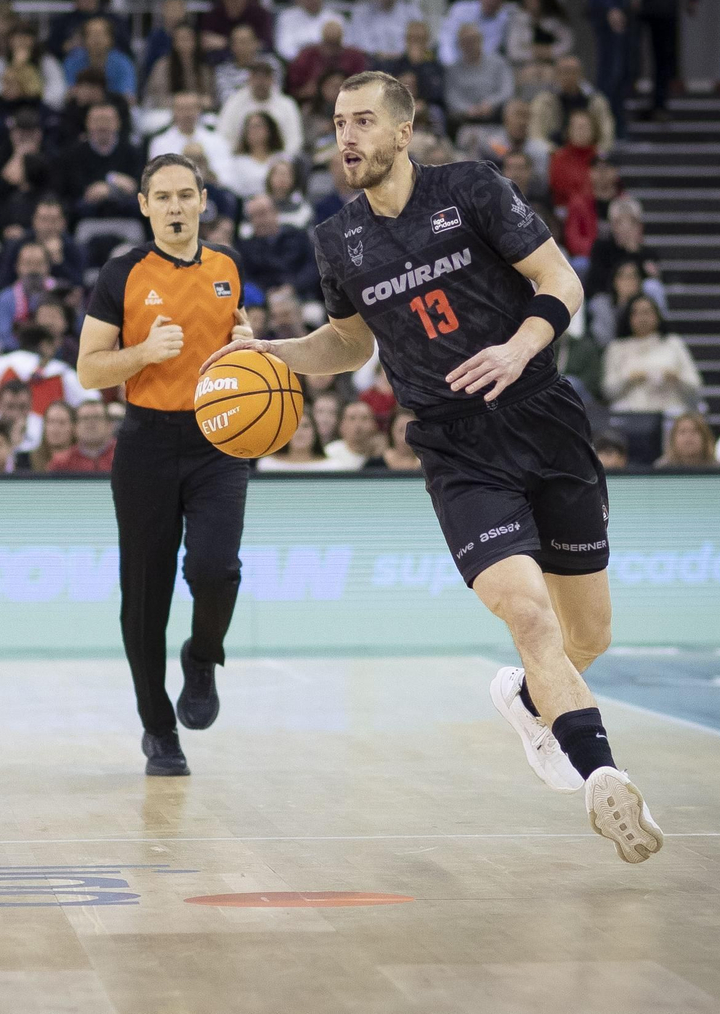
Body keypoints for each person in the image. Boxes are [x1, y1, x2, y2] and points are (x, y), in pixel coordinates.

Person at [216, 71, 663, 863]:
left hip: (543, 416)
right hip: (456, 445)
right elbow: (351, 344)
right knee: (528, 617)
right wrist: (269, 351)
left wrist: (518, 345)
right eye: (337, 121)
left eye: (361, 121)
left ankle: (527, 700)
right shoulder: (335, 239)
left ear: (402, 130)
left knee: (586, 635)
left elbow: (560, 281)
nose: (345, 137)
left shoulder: (474, 190)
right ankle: (603, 778)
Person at [76, 153, 254, 777]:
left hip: (219, 439)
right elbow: (89, 368)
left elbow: (238, 339)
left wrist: (247, 344)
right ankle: (159, 730)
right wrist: (143, 351)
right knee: (144, 598)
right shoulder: (122, 272)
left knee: (216, 568)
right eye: (163, 197)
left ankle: (203, 656)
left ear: (204, 201)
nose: (176, 207)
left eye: (186, 195)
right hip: (147, 442)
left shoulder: (228, 265)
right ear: (145, 206)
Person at [602, 294, 703, 413]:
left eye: (646, 312)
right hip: (632, 412)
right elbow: (608, 390)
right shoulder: (616, 348)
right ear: (628, 317)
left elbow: (695, 385)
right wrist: (630, 378)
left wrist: (676, 377)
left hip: (669, 410)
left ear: (657, 315)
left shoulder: (673, 343)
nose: (642, 318)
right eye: (636, 313)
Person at [635, 0, 700, 122]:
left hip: (663, 1)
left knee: (663, 56)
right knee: (630, 55)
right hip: (633, 1)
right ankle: (633, 101)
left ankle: (659, 103)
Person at [580, 0, 633, 135]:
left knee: (624, 71)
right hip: (608, 12)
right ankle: (605, 127)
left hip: (624, 9)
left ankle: (616, 124)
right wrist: (610, 7)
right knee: (610, 72)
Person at [217, 59, 304, 159]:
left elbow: (295, 141)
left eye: (265, 78)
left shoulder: (287, 104)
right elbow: (223, 135)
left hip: (279, 162)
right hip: (241, 160)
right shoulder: (234, 102)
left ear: (272, 80)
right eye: (257, 78)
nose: (260, 83)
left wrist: (281, 161)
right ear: (250, 79)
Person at [531, 55, 616, 154]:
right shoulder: (544, 101)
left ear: (581, 74)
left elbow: (607, 131)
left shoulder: (596, 100)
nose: (569, 76)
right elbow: (535, 132)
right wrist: (553, 151)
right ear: (556, 74)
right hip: (554, 151)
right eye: (565, 72)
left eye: (573, 71)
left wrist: (599, 151)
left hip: (589, 152)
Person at [239, 194, 319, 298]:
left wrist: (293, 287)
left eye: (263, 213)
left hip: (301, 295)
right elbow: (248, 279)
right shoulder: (246, 248)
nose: (260, 221)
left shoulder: (297, 236)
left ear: (275, 212)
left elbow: (312, 268)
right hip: (265, 300)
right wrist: (267, 291)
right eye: (254, 216)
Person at [444, 24, 515, 131]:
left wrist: (490, 104)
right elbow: (451, 96)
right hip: (466, 116)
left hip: (495, 111)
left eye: (473, 40)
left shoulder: (498, 63)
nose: (470, 44)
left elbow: (507, 90)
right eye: (466, 41)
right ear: (459, 44)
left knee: (512, 109)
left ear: (480, 40)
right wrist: (468, 109)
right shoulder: (453, 69)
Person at [347, 0, 422, 60]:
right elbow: (355, 43)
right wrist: (378, 55)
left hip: (404, 61)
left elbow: (420, 41)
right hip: (371, 61)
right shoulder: (361, 13)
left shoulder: (412, 13)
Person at [437, 0, 514, 67]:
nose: (491, 1)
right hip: (453, 65)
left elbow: (490, 51)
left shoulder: (504, 20)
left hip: (483, 69)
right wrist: (451, 66)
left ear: (502, 1)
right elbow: (447, 40)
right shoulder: (460, 9)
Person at [143, 24, 214, 114]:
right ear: (174, 42)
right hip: (167, 112)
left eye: (188, 38)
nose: (185, 42)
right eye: (181, 39)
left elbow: (209, 100)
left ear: (195, 41)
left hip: (197, 113)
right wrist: (188, 101)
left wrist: (193, 102)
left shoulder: (203, 68)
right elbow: (157, 98)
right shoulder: (162, 65)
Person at [277, 0, 347, 63]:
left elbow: (344, 46)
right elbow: (283, 47)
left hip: (330, 64)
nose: (313, 0)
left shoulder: (336, 18)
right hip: (299, 64)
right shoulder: (287, 17)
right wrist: (306, 59)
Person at [223, 112, 287, 201]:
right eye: (249, 127)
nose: (253, 131)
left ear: (269, 130)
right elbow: (233, 190)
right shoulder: (239, 162)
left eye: (258, 126)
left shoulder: (281, 158)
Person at [257, 411, 341, 471]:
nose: (300, 432)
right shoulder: (268, 464)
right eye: (294, 427)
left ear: (315, 432)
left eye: (305, 426)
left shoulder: (332, 466)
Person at [48, 399, 117, 471]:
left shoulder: (126, 456)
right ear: (75, 427)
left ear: (110, 425)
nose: (91, 423)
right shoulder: (61, 463)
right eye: (85, 418)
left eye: (96, 417)